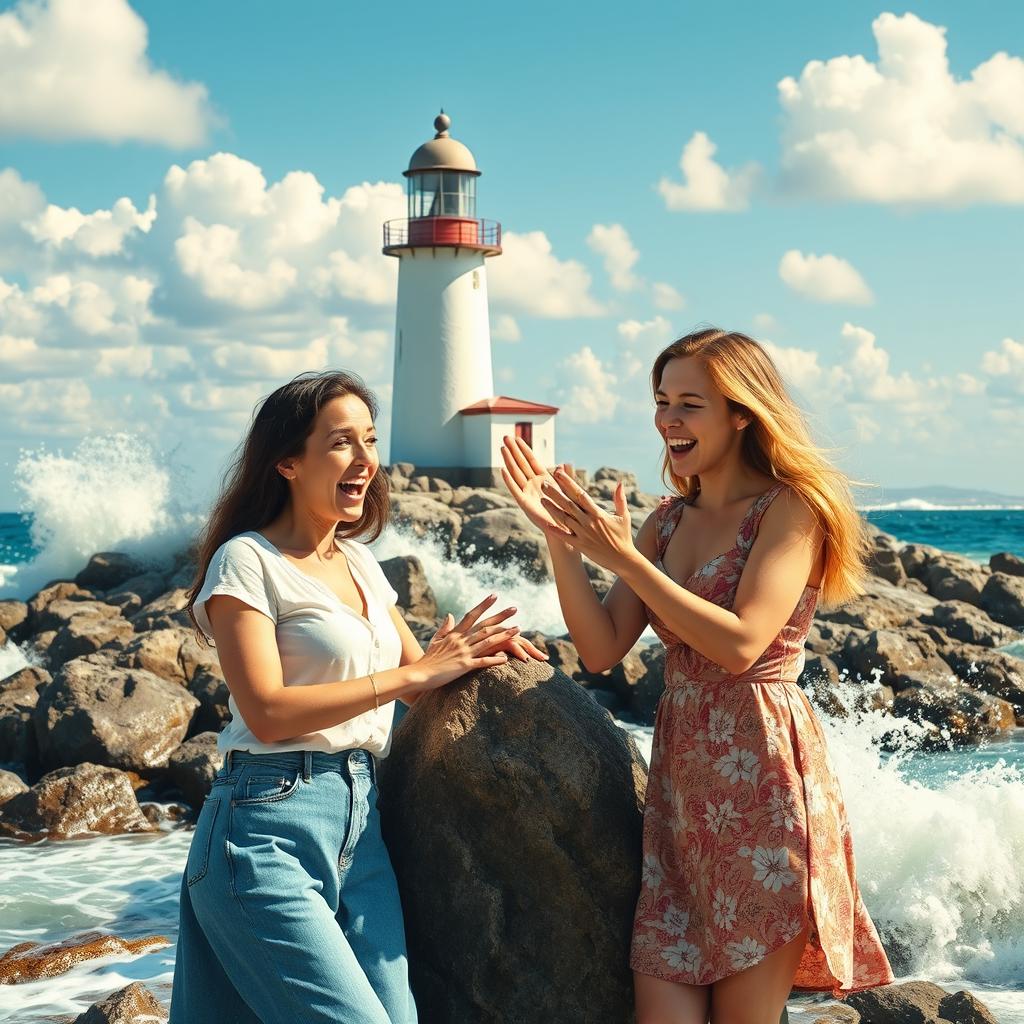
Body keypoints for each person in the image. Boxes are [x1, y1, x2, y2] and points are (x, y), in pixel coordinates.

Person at [500, 328, 893, 1024]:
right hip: (682, 806)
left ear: (742, 412)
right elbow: (600, 649)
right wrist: (563, 546)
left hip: (764, 791)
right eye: (661, 401)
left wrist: (625, 561)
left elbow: (741, 645)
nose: (668, 421)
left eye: (690, 404)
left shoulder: (789, 509)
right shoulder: (665, 523)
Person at [169, 369, 546, 1024]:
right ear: (287, 461)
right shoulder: (247, 562)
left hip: (361, 822)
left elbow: (424, 676)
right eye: (342, 442)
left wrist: (482, 655)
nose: (366, 460)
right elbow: (267, 709)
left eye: (370, 440)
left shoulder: (363, 564)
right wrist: (420, 674)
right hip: (265, 825)